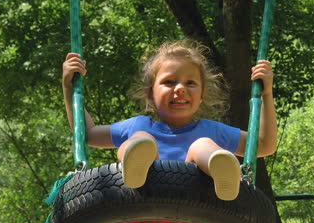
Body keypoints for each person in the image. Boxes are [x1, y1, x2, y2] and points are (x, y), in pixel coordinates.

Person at [61, 40, 277, 201]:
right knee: (140, 139)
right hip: (139, 209)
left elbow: (264, 146)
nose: (180, 88)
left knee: (202, 145)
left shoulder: (212, 131)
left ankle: (223, 173)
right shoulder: (138, 125)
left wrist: (266, 94)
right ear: (149, 94)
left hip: (198, 215)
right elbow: (87, 134)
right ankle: (137, 168)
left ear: (202, 95)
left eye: (190, 83)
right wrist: (70, 89)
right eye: (170, 82)